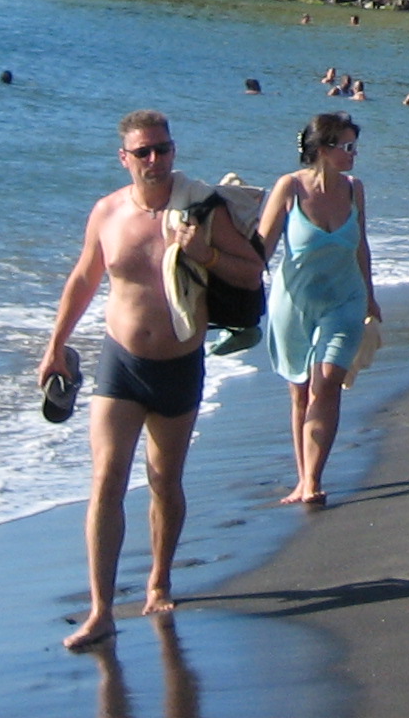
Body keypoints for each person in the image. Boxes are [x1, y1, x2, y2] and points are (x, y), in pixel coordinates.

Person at [37, 111, 264, 651]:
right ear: (125, 158)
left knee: (164, 481)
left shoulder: (200, 210)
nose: (155, 160)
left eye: (163, 149)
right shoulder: (108, 213)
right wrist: (55, 345)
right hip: (121, 363)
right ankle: (100, 610)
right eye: (144, 152)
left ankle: (159, 579)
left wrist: (204, 252)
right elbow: (84, 277)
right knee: (107, 481)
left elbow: (251, 270)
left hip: (179, 364)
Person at [256, 114, 377, 508]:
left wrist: (371, 297)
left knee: (326, 383)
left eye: (355, 146)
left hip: (345, 301)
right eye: (347, 147)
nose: (354, 154)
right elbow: (262, 249)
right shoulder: (289, 188)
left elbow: (361, 246)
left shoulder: (354, 189)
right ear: (323, 149)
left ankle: (312, 480)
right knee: (300, 392)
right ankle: (301, 478)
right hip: (294, 303)